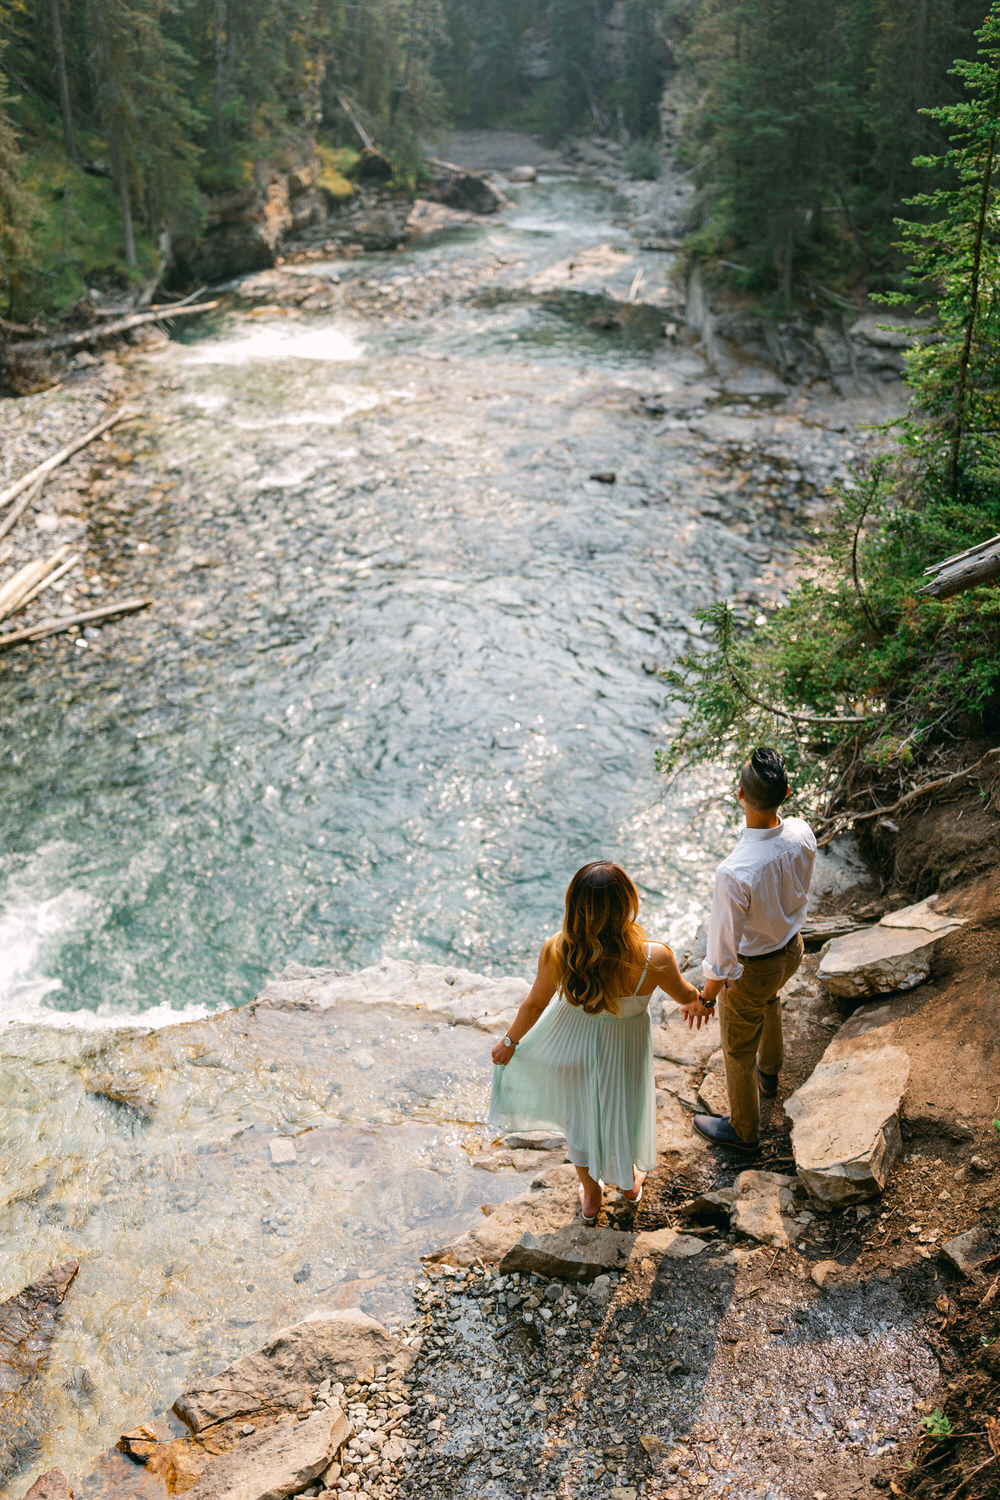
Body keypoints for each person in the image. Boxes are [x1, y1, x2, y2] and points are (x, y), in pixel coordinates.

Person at [489, 860, 705, 1225]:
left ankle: (590, 1193)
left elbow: (534, 1004)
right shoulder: (655, 957)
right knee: (624, 1108)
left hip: (572, 1046)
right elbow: (685, 995)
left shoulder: (559, 950)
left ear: (574, 905)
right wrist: (704, 998)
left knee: (580, 1118)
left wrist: (510, 1041)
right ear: (628, 902)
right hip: (625, 1049)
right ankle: (628, 1186)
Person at [683, 746, 816, 1152]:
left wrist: (706, 999)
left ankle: (743, 1130)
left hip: (753, 966)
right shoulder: (801, 832)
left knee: (737, 1049)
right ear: (787, 792)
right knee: (770, 999)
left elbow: (722, 955)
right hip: (792, 950)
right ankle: (770, 1074)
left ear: (740, 795)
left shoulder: (734, 871)